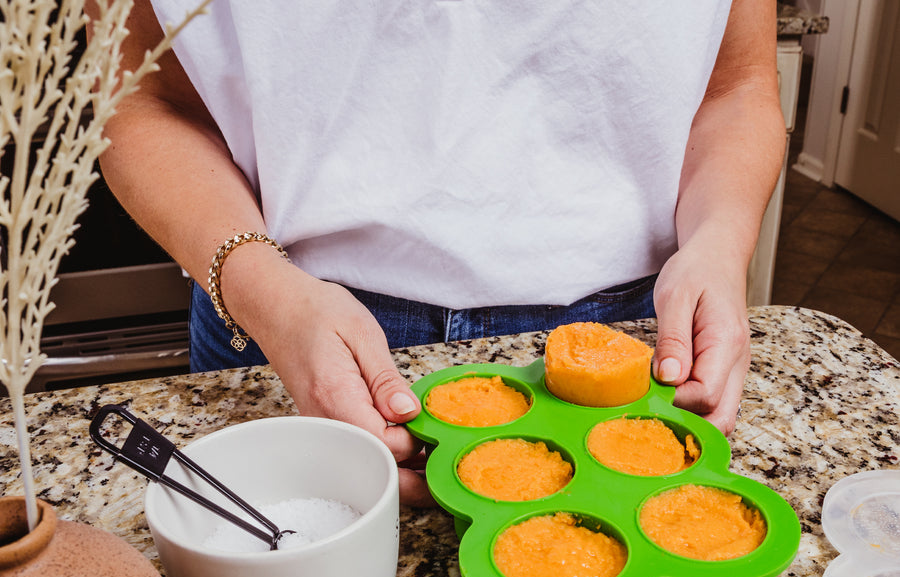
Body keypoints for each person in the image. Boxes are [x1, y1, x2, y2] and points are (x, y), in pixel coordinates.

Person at [90, 0, 785, 506]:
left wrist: (720, 244)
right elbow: (142, 95)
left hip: (624, 347)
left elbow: (736, 86)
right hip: (289, 326)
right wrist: (263, 290)